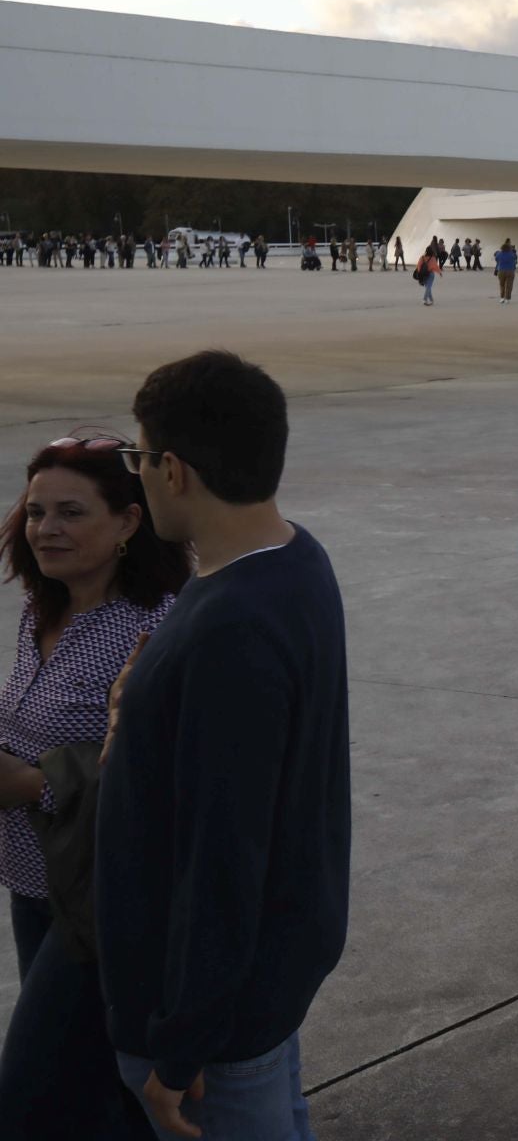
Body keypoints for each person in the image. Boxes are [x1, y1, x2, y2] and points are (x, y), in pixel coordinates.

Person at [102, 351, 350, 1140]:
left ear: (173, 469)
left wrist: (180, 1048)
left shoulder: (230, 628)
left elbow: (223, 856)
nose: (136, 475)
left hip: (217, 1027)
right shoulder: (295, 559)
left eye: (137, 458)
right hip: (264, 987)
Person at [0, 435, 189, 1140]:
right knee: (92, 1089)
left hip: (103, 900)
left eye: (72, 513)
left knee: (27, 1095)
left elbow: (164, 775)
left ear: (129, 523)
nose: (47, 530)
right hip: (32, 882)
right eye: (37, 511)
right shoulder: (40, 612)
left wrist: (33, 784)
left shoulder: (155, 626)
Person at [493, 238, 518, 303]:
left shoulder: (499, 254)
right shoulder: (512, 254)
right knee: (509, 285)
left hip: (501, 270)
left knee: (502, 285)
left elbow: (496, 259)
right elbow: (515, 260)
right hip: (510, 271)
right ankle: (507, 299)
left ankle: (502, 298)